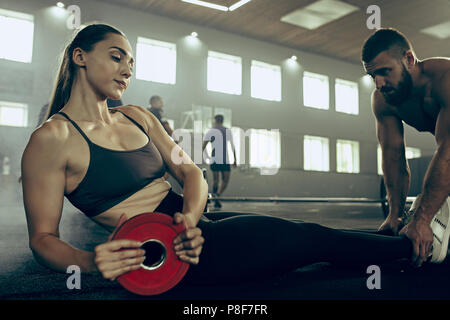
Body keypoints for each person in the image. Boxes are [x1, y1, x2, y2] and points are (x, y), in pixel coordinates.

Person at [21, 24, 448, 287]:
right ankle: (423, 249)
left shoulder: (137, 117)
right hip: (172, 253)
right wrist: (87, 261)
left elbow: (191, 172)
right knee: (310, 242)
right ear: (79, 56)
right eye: (116, 57)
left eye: (131, 63)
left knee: (305, 230)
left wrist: (189, 217)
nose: (127, 70)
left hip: (193, 223)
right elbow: (43, 239)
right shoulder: (52, 139)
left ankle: (402, 236)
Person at [361, 28, 450, 267]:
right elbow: (392, 157)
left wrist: (422, 219)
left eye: (384, 72)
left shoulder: (445, 79)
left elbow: (448, 153)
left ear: (409, 60)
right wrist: (395, 215)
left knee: (426, 217)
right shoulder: (383, 100)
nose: (379, 83)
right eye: (372, 76)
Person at [202, 114, 237, 208]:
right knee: (225, 180)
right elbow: (232, 146)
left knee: (216, 180)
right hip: (224, 159)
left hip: (215, 159)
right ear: (222, 120)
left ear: (215, 120)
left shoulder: (210, 131)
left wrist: (206, 156)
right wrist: (235, 159)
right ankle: (217, 195)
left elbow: (203, 146)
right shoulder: (226, 130)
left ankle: (216, 196)